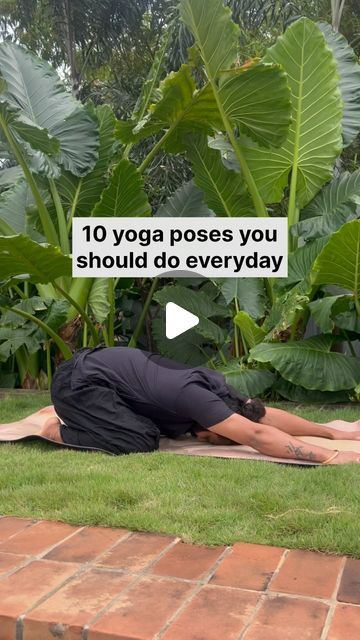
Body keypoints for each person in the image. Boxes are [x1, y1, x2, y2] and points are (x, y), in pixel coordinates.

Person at [41, 346, 360, 465]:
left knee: (156, 425)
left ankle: (93, 418)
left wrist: (332, 434)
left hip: (106, 374)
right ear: (214, 419)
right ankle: (60, 431)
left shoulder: (220, 390)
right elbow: (254, 435)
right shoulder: (194, 397)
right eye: (217, 435)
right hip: (78, 383)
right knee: (139, 439)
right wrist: (332, 458)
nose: (207, 438)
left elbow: (259, 417)